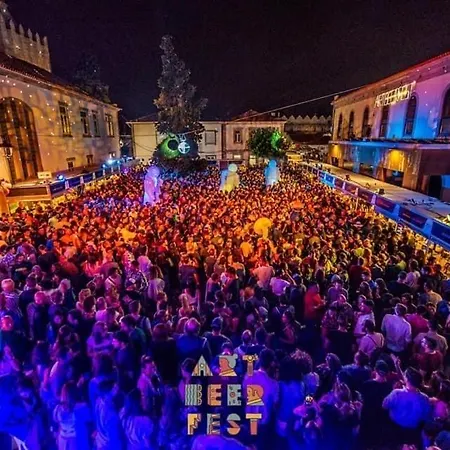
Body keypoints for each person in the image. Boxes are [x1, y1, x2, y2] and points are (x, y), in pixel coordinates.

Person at [383, 367, 432, 446]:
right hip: (413, 433)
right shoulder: (425, 398)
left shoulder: (397, 393)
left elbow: (385, 405)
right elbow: (425, 417)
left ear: (407, 379)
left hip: (394, 431)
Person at [53, 381, 92, 450]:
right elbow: (89, 421)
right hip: (78, 440)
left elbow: (56, 423)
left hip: (63, 440)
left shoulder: (57, 408)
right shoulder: (82, 407)